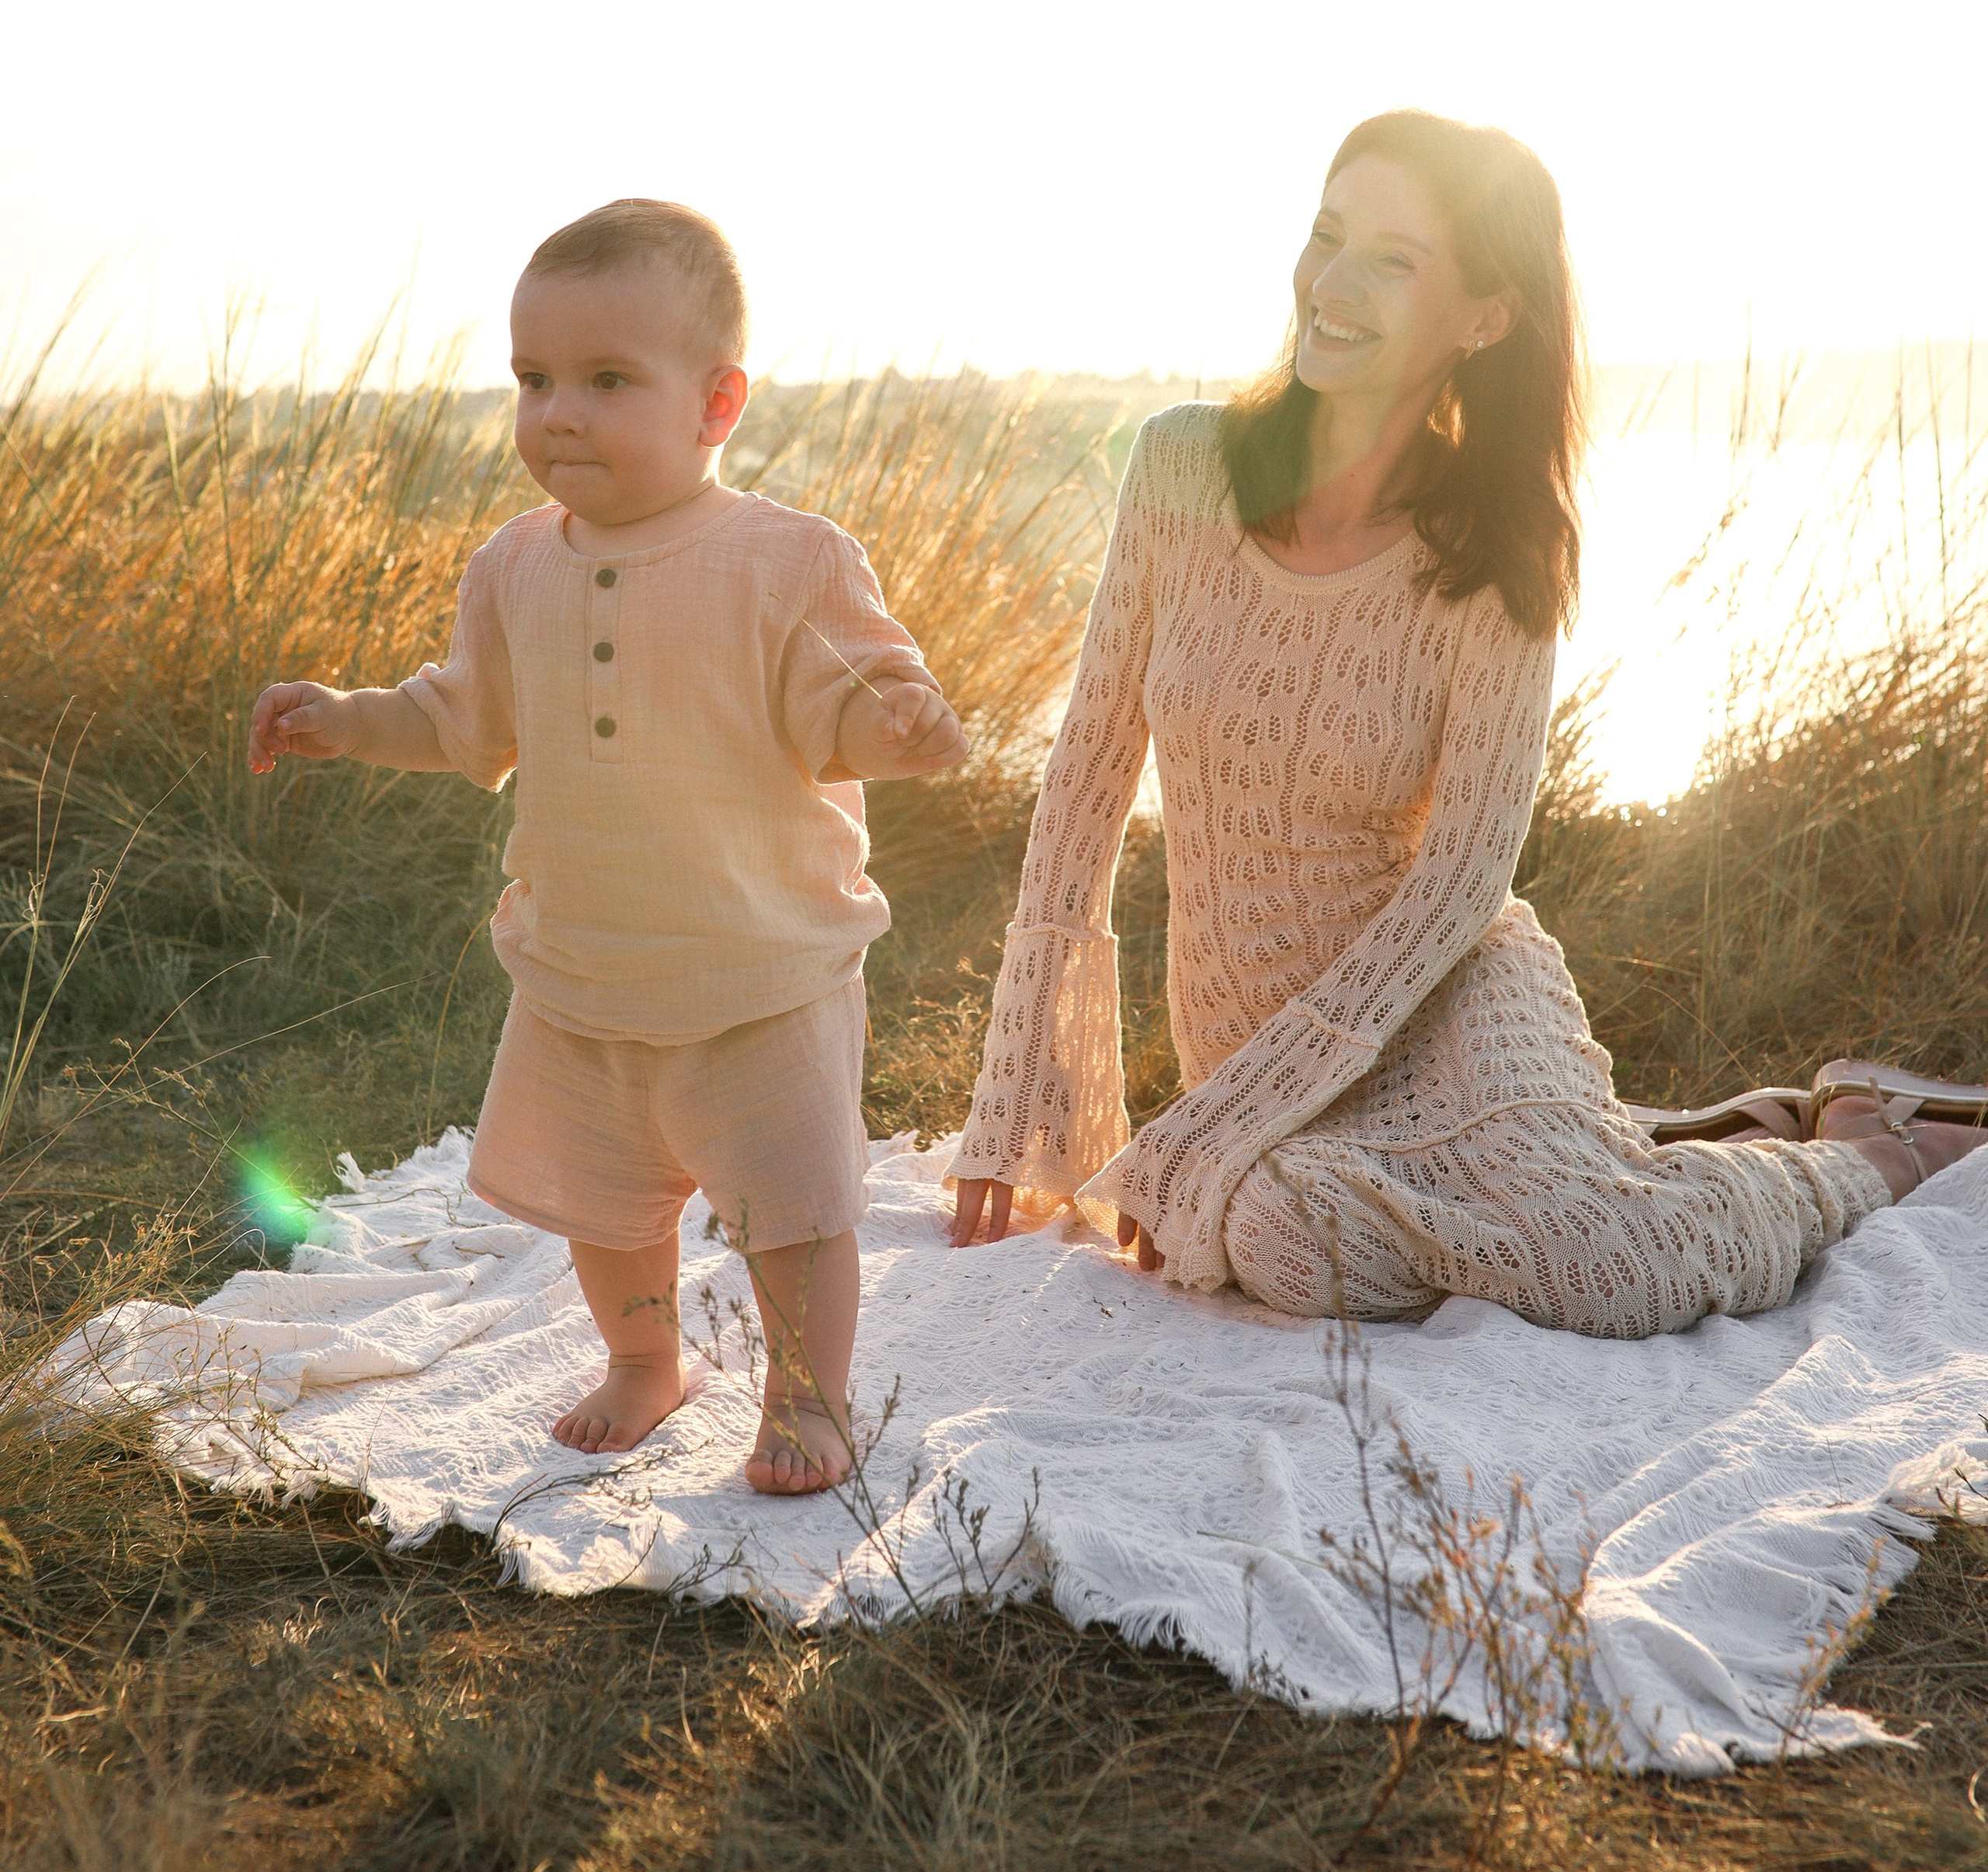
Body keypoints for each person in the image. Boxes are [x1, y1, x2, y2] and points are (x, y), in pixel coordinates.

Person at [949, 111, 1985, 1331]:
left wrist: (1217, 1124)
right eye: (1329, 237)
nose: (1331, 286)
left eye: (1393, 261)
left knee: (1607, 1271)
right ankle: (1663, 1143)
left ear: (1484, 317)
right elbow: (1088, 768)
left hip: (1446, 990)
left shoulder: (1496, 550)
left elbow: (1462, 879)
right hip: (1252, 1040)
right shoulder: (1184, 466)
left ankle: (1869, 1152)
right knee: (1280, 1242)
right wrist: (1023, 1091)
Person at [249, 198, 964, 1490]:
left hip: (761, 970)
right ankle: (648, 1364)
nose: (558, 412)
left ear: (716, 403)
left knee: (791, 1213)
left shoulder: (785, 562)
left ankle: (808, 1397)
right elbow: (460, 715)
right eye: (533, 380)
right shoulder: (515, 568)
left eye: (606, 380)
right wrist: (348, 721)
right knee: (602, 1206)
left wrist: (895, 724)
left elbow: (841, 707)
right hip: (584, 966)